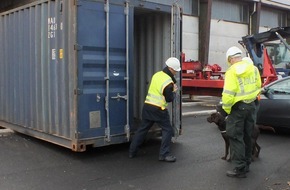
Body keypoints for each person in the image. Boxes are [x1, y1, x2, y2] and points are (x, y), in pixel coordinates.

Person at [129, 57, 181, 162]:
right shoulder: (168, 82)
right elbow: (169, 98)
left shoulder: (157, 74)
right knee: (168, 130)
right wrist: (174, 91)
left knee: (143, 129)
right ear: (170, 69)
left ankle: (132, 152)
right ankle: (164, 154)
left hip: (148, 106)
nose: (176, 72)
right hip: (159, 109)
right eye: (175, 70)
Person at [222, 46, 261, 178]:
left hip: (237, 108)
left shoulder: (231, 72)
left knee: (235, 137)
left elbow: (228, 94)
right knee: (247, 135)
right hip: (251, 106)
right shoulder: (253, 69)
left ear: (230, 59)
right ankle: (247, 164)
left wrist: (227, 110)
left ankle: (239, 169)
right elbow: (257, 86)